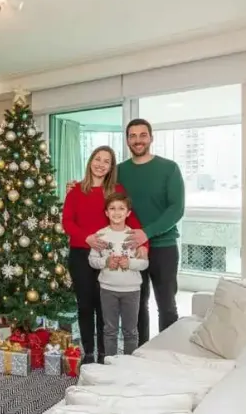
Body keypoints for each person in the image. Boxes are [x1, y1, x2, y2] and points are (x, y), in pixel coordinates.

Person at [65, 118, 184, 345]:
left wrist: (146, 234)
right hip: (128, 246)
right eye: (132, 136)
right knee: (137, 305)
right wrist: (74, 187)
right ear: (127, 140)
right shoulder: (120, 171)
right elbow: (97, 185)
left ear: (151, 138)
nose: (138, 140)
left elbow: (176, 209)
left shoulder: (169, 168)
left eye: (142, 135)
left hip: (162, 246)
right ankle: (138, 351)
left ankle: (168, 352)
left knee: (166, 305)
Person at [62, 146, 148, 364]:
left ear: (111, 167)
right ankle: (88, 352)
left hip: (109, 255)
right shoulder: (75, 191)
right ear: (90, 161)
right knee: (85, 306)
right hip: (81, 254)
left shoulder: (116, 190)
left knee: (104, 308)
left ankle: (104, 353)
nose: (101, 164)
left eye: (106, 161)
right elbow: (67, 222)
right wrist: (87, 238)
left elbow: (133, 221)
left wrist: (145, 245)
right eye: (97, 159)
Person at [88, 193, 149, 357]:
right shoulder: (100, 235)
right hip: (107, 289)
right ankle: (110, 363)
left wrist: (130, 263)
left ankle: (128, 364)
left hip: (131, 290)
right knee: (110, 330)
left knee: (130, 331)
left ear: (128, 213)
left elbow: (144, 263)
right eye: (112, 208)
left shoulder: (135, 236)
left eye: (121, 208)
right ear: (106, 212)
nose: (117, 212)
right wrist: (106, 262)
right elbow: (92, 260)